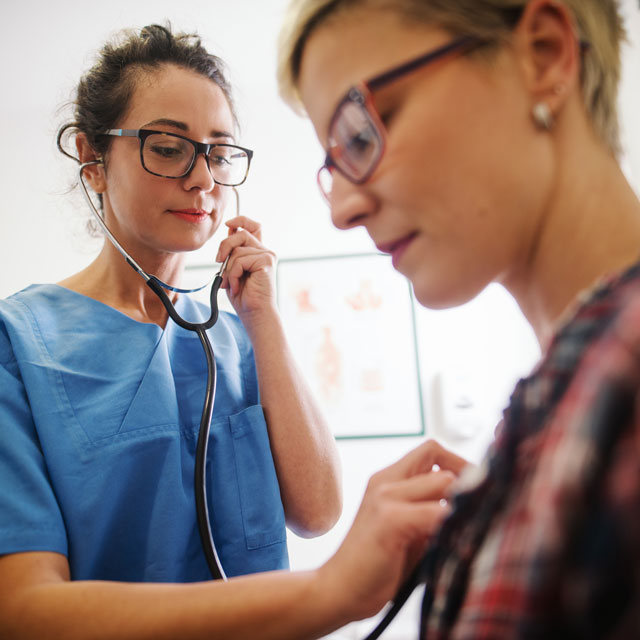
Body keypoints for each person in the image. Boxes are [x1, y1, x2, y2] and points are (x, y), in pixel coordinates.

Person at [275, 0, 640, 636]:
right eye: (331, 166)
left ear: (543, 53)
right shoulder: (551, 411)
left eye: (362, 133)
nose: (342, 210)